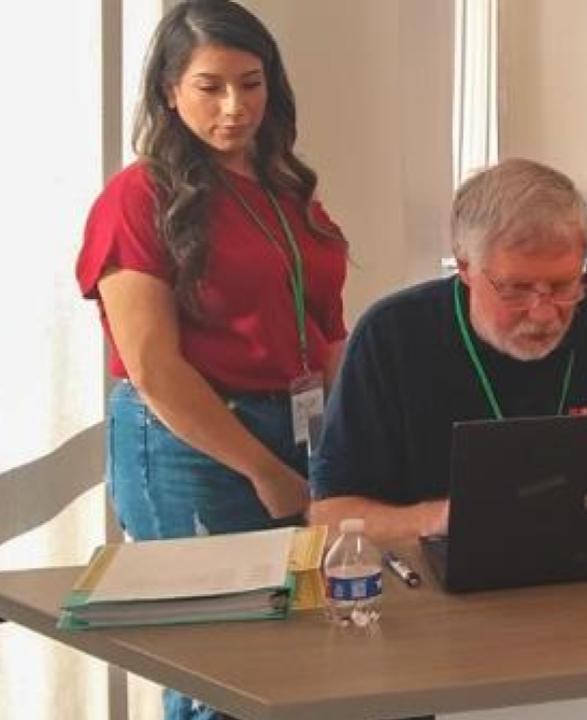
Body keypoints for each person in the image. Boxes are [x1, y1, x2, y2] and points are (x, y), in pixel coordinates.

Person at [76, 1, 347, 718]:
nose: (236, 107)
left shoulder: (288, 188)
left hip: (294, 428)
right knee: (218, 668)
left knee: (295, 652)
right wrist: (263, 470)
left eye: (251, 83)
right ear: (170, 90)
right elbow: (154, 370)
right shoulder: (137, 199)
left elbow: (327, 327)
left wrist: (343, 445)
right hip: (189, 442)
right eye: (211, 86)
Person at [309, 158, 587, 541]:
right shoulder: (392, 338)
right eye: (516, 289)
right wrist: (445, 519)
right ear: (466, 265)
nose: (544, 312)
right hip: (448, 599)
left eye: (564, 284)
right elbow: (331, 515)